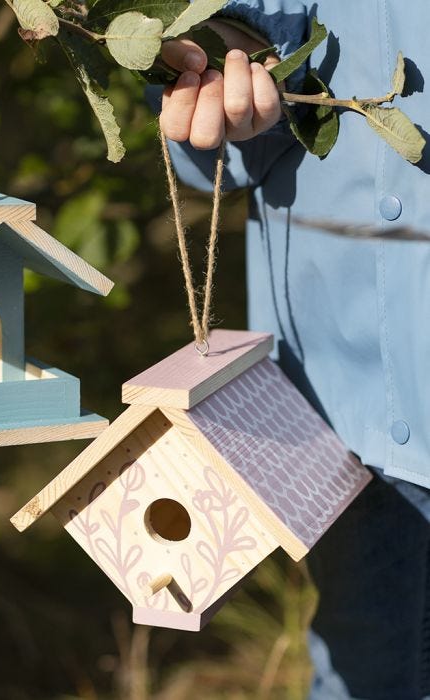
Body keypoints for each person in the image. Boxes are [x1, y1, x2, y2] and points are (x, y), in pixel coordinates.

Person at [150, 2, 430, 698]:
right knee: (364, 669)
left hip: (345, 405)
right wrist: (210, 73)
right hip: (346, 412)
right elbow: (225, 57)